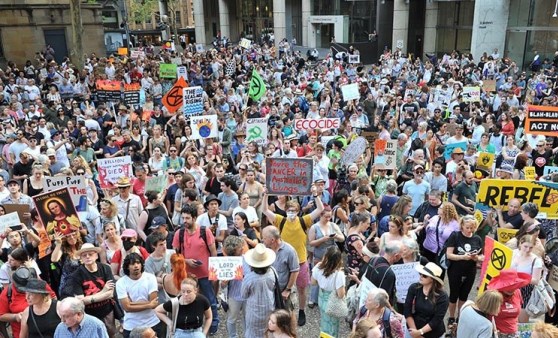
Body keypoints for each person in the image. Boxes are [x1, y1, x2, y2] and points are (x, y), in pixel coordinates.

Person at [262, 188, 324, 326]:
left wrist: (315, 195)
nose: (291, 213)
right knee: (280, 287)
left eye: (294, 210)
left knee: (302, 288)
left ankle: (301, 310)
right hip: (282, 261)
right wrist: (266, 195)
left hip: (301, 261)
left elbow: (320, 209)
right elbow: (265, 210)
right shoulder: (280, 220)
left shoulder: (304, 220)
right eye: (289, 210)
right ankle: (280, 311)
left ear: (298, 211)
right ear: (286, 211)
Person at [172, 205, 219, 335]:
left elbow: (213, 252)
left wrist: (214, 273)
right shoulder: (179, 233)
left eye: (187, 218)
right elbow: (176, 256)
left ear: (194, 218)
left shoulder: (205, 232)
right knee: (188, 299)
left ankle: (213, 324)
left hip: (205, 273)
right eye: (183, 218)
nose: (184, 221)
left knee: (210, 300)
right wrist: (186, 261)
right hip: (187, 276)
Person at [66, 243, 117, 337]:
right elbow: (80, 301)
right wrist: (103, 291)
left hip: (107, 312)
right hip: (89, 315)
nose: (87, 257)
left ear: (96, 255)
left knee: (110, 335)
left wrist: (89, 299)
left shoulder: (105, 268)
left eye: (90, 254)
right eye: (84, 255)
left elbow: (110, 294)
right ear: (81, 258)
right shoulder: (76, 275)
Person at [445, 216, 484, 325]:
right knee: (453, 295)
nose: (469, 230)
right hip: (455, 270)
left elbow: (481, 257)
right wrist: (463, 257)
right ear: (462, 225)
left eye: (472, 228)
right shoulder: (455, 236)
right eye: (467, 227)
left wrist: (476, 258)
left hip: (470, 271)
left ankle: (460, 316)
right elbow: (449, 255)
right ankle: (451, 317)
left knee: (464, 296)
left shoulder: (477, 239)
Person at [116, 253, 161, 338]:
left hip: (152, 323)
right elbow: (127, 308)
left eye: (138, 263)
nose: (136, 266)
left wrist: (131, 303)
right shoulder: (121, 283)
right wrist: (148, 304)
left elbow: (154, 304)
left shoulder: (150, 278)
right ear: (127, 267)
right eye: (132, 264)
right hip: (131, 326)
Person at [403, 262, 449, 338]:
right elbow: (407, 310)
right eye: (420, 273)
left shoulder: (442, 297)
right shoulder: (414, 288)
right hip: (412, 330)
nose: (421, 276)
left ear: (432, 279)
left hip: (433, 333)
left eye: (424, 275)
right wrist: (415, 333)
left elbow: (436, 320)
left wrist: (419, 332)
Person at [242, 243, 278, 338]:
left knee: (253, 333)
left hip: (254, 310)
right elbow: (275, 286)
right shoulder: (273, 271)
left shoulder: (249, 277)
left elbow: (243, 295)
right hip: (270, 307)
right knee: (268, 331)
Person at [311, 246, 346, 336]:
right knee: (332, 327)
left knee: (324, 322)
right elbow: (341, 295)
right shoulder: (339, 274)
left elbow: (313, 282)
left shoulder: (318, 267)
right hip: (332, 302)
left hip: (321, 298)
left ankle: (323, 335)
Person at [487, 269, 531, 338]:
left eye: (513, 286)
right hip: (496, 334)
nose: (511, 289)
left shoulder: (517, 292)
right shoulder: (494, 295)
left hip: (514, 334)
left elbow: (518, 312)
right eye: (508, 286)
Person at [510, 235, 543, 322]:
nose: (528, 250)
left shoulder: (536, 260)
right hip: (509, 288)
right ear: (520, 243)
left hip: (525, 291)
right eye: (525, 246)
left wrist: (519, 276)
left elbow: (536, 281)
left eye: (531, 248)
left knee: (521, 321)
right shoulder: (513, 253)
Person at [422, 202, 460, 269]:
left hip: (441, 252)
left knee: (438, 272)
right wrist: (425, 221)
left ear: (446, 211)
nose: (438, 208)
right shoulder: (435, 218)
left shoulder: (455, 224)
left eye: (440, 208)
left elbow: (456, 239)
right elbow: (425, 228)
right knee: (426, 270)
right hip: (427, 249)